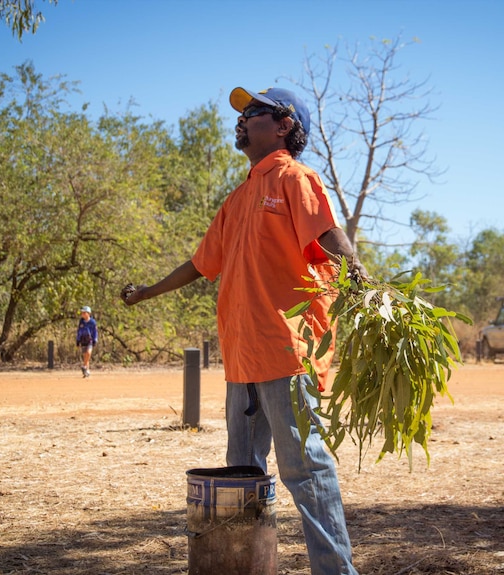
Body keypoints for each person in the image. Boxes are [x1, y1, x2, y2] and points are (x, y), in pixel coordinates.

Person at [122, 86, 363, 575]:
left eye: (253, 112)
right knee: (242, 475)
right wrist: (147, 292)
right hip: (242, 358)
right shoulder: (238, 198)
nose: (242, 119)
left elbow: (326, 235)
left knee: (305, 471)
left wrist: (364, 281)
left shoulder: (295, 179)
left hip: (285, 349)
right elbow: (200, 263)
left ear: (283, 126)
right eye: (242, 113)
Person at [76, 305, 97, 378]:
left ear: (88, 313)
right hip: (83, 340)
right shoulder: (81, 322)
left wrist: (95, 340)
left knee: (88, 353)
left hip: (89, 340)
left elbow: (95, 332)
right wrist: (78, 340)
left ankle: (84, 366)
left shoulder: (92, 322)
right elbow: (79, 331)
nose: (82, 314)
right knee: (85, 356)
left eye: (84, 313)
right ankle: (87, 371)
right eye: (82, 313)